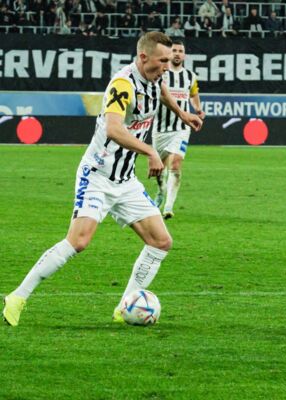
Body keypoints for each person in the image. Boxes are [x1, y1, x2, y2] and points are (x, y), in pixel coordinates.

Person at [2, 32, 203, 327]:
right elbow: (113, 129)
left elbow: (161, 91)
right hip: (97, 174)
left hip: (125, 180)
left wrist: (183, 114)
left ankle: (124, 308)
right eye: (161, 60)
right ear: (143, 57)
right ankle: (17, 297)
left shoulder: (155, 78)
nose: (166, 66)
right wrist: (150, 151)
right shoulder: (122, 84)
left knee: (161, 242)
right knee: (78, 241)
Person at [151, 40, 205, 219]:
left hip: (181, 128)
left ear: (184, 55)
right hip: (160, 128)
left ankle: (168, 207)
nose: (177, 54)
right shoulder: (162, 73)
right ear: (169, 53)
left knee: (176, 163)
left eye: (180, 51)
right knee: (159, 168)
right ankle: (161, 191)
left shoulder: (190, 76)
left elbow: (194, 94)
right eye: (174, 50)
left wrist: (198, 109)